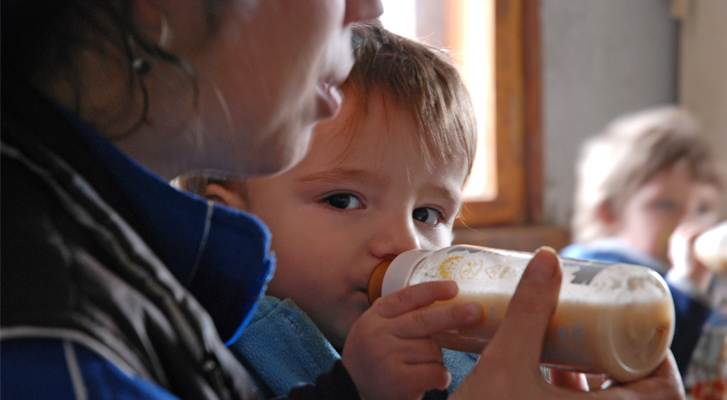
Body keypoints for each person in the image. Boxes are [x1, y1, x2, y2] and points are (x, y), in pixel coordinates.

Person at [0, 0, 684, 398]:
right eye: (342, 200)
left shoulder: (126, 269)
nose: (369, 7)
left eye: (428, 215)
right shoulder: (59, 340)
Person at [173, 23, 479, 399]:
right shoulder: (200, 352)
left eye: (427, 215)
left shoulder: (458, 345)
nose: (405, 244)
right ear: (231, 229)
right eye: (343, 200)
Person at [561, 105, 725, 378]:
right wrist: (687, 285)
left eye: (703, 208)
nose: (687, 220)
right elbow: (644, 357)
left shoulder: (707, 273)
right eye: (665, 205)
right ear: (610, 212)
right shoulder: (594, 271)